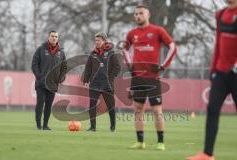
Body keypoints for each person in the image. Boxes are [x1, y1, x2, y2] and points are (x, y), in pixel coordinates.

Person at [186, 0, 237, 160]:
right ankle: (207, 154)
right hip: (221, 73)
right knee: (212, 109)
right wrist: (213, 69)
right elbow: (219, 43)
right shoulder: (220, 14)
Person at [123, 5, 177, 150]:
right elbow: (124, 49)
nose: (138, 16)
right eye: (136, 14)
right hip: (137, 78)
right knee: (138, 109)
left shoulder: (158, 30)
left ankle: (160, 142)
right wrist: (129, 65)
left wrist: (163, 66)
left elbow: (172, 47)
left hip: (153, 77)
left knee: (156, 110)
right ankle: (140, 142)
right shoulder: (131, 33)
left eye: (141, 13)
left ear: (148, 15)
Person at [82, 32, 121, 132]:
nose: (96, 42)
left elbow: (117, 67)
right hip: (94, 83)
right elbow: (88, 68)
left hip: (107, 84)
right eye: (95, 40)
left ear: (104, 41)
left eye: (98, 40)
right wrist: (85, 79)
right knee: (92, 106)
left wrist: (110, 78)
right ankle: (92, 127)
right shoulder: (93, 53)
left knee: (111, 106)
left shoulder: (111, 53)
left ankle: (113, 127)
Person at [31, 31, 67, 130]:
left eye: (56, 36)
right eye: (52, 36)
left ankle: (45, 125)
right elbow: (34, 64)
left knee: (48, 105)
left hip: (53, 84)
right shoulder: (41, 49)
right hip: (41, 83)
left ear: (58, 38)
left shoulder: (61, 52)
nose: (54, 38)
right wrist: (39, 76)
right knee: (40, 103)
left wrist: (61, 78)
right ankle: (38, 125)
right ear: (49, 37)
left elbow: (64, 68)